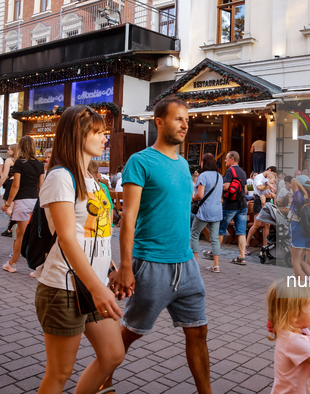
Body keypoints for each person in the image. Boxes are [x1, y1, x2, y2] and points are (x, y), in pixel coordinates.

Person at [106, 96, 211, 394]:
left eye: (186, 120)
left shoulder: (182, 165)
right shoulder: (140, 161)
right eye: (178, 119)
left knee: (199, 330)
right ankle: (103, 375)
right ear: (159, 121)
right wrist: (125, 266)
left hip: (186, 265)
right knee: (131, 332)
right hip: (151, 263)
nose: (184, 125)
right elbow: (128, 219)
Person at [35, 105, 124, 394]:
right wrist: (98, 288)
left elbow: (95, 234)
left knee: (112, 354)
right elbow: (67, 239)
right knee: (59, 372)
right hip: (64, 287)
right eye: (98, 132)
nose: (104, 138)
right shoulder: (60, 177)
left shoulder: (95, 181)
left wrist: (109, 269)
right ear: (77, 134)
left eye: (104, 132)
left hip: (93, 283)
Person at [2, 136, 44, 275]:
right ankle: (13, 262)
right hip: (35, 201)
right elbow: (42, 186)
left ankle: (16, 264)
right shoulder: (39, 164)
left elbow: (16, 185)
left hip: (22, 201)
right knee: (22, 233)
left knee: (22, 235)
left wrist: (8, 203)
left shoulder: (19, 163)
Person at [191, 153, 223, 272]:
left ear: (204, 163)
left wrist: (193, 199)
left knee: (194, 234)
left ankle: (194, 264)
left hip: (204, 210)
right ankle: (216, 265)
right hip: (217, 210)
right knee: (214, 237)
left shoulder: (203, 176)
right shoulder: (219, 176)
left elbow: (199, 195)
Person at [218, 151, 248, 266]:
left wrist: (219, 186)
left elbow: (226, 186)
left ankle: (215, 253)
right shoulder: (243, 172)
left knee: (221, 229)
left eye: (226, 158)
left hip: (230, 205)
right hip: (242, 205)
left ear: (232, 159)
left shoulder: (230, 171)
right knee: (241, 232)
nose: (225, 161)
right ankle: (242, 256)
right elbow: (245, 190)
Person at [245, 166, 276, 255]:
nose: (273, 177)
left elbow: (271, 192)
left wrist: (271, 192)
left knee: (267, 225)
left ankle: (264, 247)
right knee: (257, 224)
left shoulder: (268, 179)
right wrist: (268, 186)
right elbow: (259, 187)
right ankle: (247, 244)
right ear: (269, 170)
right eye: (273, 174)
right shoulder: (259, 177)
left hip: (266, 200)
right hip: (258, 200)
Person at [0, 144, 17, 238]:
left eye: (9, 150)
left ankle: (15, 223)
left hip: (11, 183)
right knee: (12, 208)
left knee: (7, 208)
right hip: (19, 184)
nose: (7, 152)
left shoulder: (9, 160)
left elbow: (4, 176)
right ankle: (11, 228)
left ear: (14, 151)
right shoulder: (21, 160)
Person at [88, 160, 114, 227]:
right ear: (97, 173)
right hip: (104, 224)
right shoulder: (103, 187)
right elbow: (110, 206)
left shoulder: (82, 186)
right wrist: (110, 223)